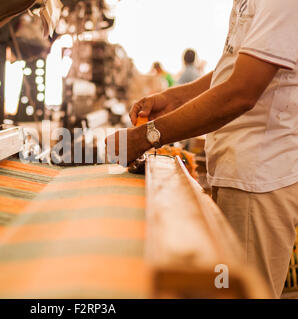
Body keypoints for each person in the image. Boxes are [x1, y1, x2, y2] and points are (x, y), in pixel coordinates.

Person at [106, 0, 297, 298]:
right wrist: (173, 98)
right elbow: (231, 70)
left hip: (256, 178)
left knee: (234, 294)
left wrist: (145, 137)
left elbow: (241, 93)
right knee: (220, 288)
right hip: (236, 168)